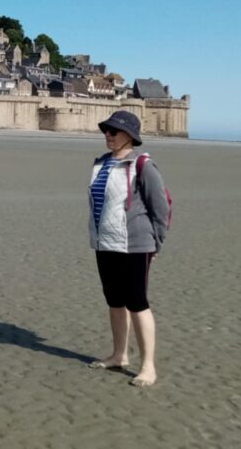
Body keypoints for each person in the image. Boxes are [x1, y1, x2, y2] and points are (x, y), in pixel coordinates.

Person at [87, 111, 171, 387]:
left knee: (137, 304)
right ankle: (118, 355)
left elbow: (161, 207)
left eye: (114, 131)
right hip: (105, 243)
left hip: (136, 245)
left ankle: (148, 366)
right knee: (114, 302)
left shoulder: (143, 165)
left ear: (130, 137)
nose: (108, 135)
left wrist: (156, 243)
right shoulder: (100, 164)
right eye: (106, 130)